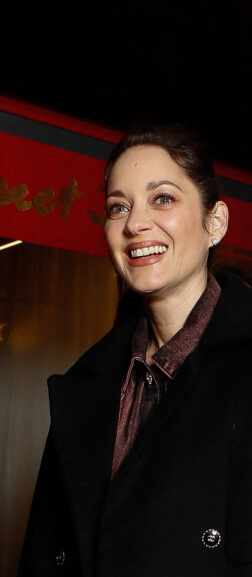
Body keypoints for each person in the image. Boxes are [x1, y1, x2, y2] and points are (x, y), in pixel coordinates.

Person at [18, 124, 252, 576]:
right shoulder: (85, 384)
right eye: (117, 206)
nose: (134, 224)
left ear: (215, 222)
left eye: (162, 198)